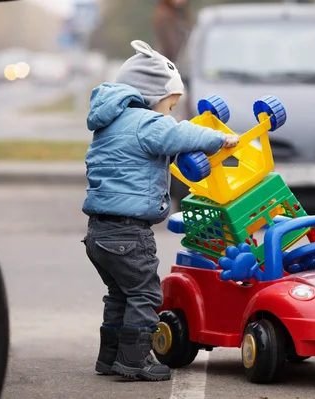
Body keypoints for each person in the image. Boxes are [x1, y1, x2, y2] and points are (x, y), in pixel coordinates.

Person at [81, 40, 239, 382]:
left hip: (98, 232)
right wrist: (218, 140)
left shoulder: (110, 122)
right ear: (152, 97)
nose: (169, 114)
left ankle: (109, 358)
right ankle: (135, 360)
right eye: (169, 106)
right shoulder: (145, 122)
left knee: (119, 294)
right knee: (146, 293)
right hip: (128, 232)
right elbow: (178, 134)